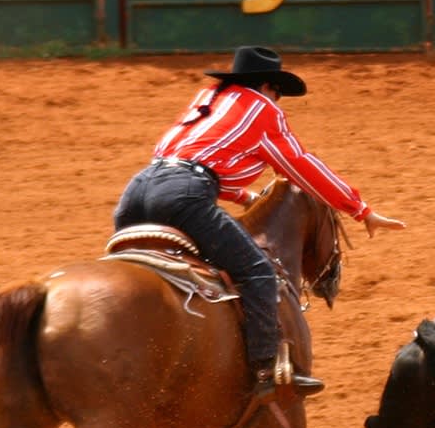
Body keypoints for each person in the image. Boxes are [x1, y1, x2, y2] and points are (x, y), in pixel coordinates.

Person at [114, 45, 405, 405]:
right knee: (258, 273)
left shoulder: (208, 98)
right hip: (183, 194)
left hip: (136, 192)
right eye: (278, 93)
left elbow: (200, 161)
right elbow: (300, 166)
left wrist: (247, 198)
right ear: (267, 87)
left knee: (140, 277)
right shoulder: (262, 109)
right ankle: (266, 370)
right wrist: (360, 209)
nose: (278, 101)